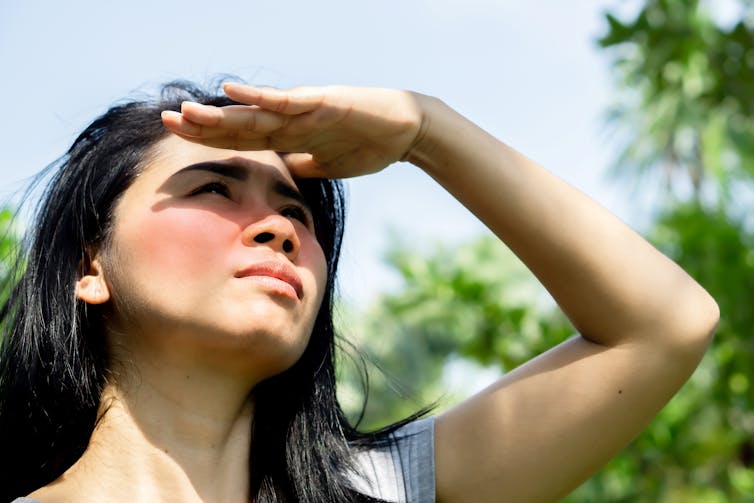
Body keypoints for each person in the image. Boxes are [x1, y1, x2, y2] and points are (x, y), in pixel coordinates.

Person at [0, 80, 718, 503]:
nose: (278, 229)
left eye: (297, 212)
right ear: (89, 264)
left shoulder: (383, 489)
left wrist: (425, 130)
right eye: (215, 187)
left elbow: (665, 324)